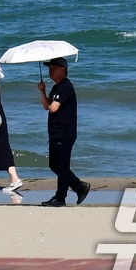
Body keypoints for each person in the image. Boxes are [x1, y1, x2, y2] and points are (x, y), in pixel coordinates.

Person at [37, 57, 90, 207]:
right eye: (49, 69)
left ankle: (66, 194)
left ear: (63, 70)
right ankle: (74, 190)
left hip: (64, 133)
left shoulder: (65, 86)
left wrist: (49, 102)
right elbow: (46, 106)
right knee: (55, 165)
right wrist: (42, 91)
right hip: (56, 133)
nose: (51, 71)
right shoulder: (56, 87)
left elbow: (53, 108)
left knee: (61, 166)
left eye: (54, 68)